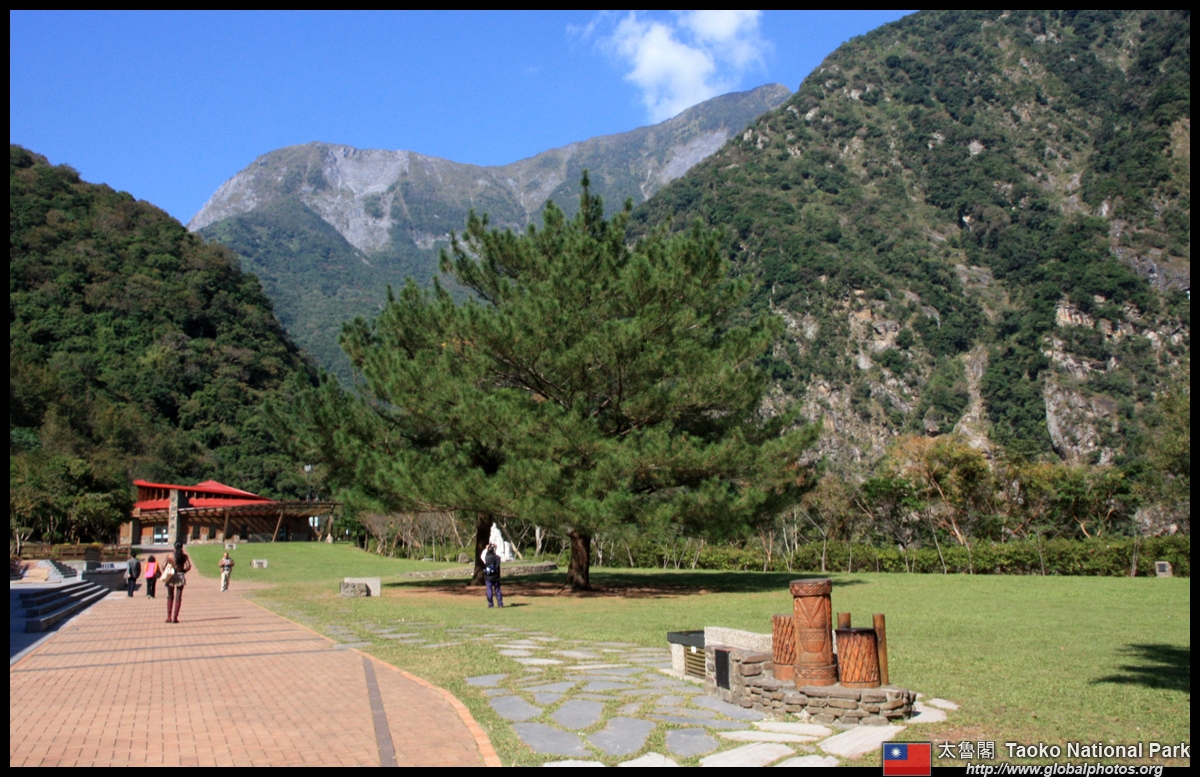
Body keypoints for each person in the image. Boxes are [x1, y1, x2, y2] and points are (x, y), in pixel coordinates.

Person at [164, 542, 192, 623]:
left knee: (170, 596)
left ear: (174, 547)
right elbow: (188, 566)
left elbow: (163, 566)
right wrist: (183, 571)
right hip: (180, 576)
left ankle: (169, 617)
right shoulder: (184, 556)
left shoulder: (170, 556)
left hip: (171, 576)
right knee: (178, 597)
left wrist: (169, 570)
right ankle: (175, 618)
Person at [481, 543, 503, 608]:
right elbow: (500, 554)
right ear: (493, 550)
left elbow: (482, 555)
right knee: (497, 590)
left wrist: (486, 548)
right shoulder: (497, 557)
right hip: (496, 576)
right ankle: (500, 604)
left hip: (488, 576)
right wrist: (497, 547)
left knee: (489, 589)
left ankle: (490, 604)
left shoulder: (486, 557)